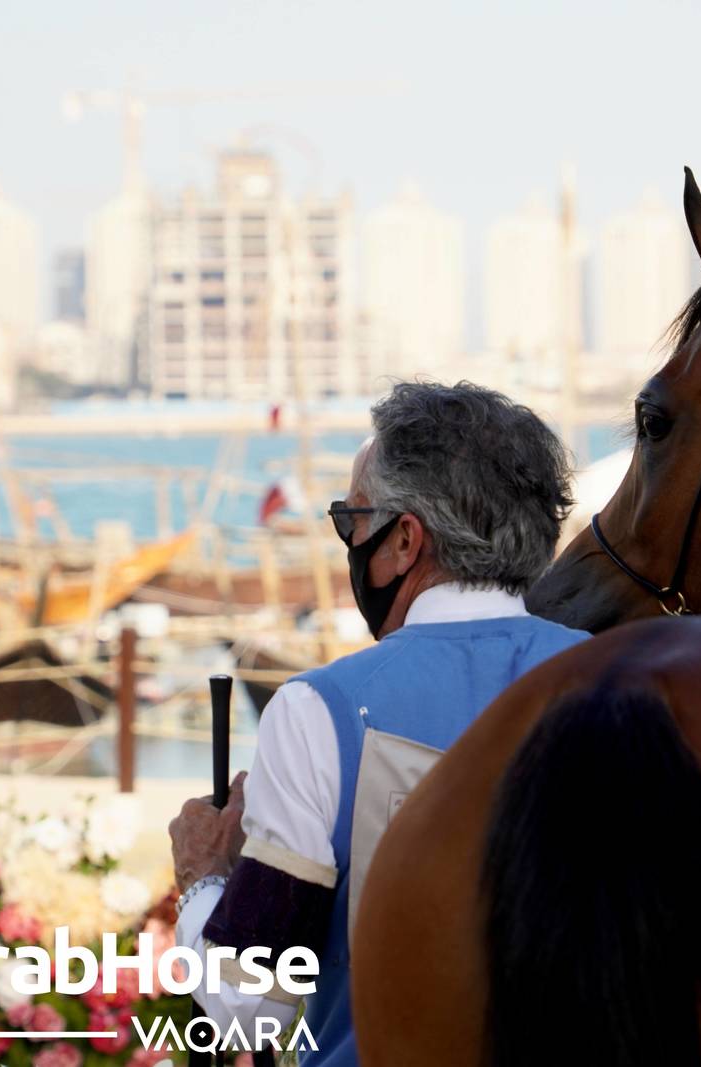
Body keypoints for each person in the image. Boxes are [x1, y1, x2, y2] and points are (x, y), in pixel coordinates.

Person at [168, 381, 588, 1065]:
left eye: (350, 522)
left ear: (403, 541)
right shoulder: (625, 680)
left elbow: (250, 1007)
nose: (349, 543)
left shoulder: (319, 711)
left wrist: (201, 875)